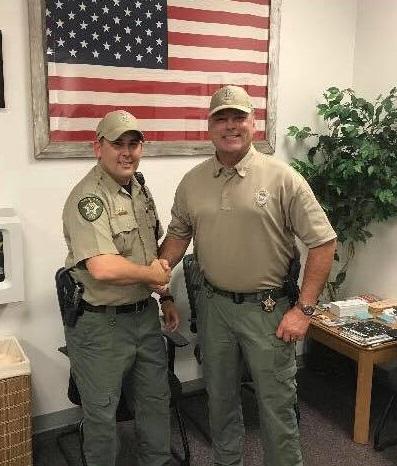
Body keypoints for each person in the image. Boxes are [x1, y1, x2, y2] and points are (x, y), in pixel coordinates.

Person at [159, 85, 337, 466]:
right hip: (214, 308)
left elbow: (323, 243)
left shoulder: (282, 178)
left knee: (276, 407)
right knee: (220, 400)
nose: (229, 126)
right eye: (220, 118)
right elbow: (177, 236)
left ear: (252, 122)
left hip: (269, 311)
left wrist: (304, 310)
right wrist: (156, 273)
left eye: (237, 117)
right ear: (209, 127)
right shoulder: (192, 182)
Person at [62, 110, 179, 466]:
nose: (127, 152)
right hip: (101, 326)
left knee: (155, 404)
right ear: (98, 147)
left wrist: (167, 296)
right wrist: (155, 277)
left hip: (143, 317)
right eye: (118, 144)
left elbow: (150, 253)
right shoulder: (88, 199)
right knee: (102, 417)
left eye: (134, 143)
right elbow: (103, 266)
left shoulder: (139, 189)